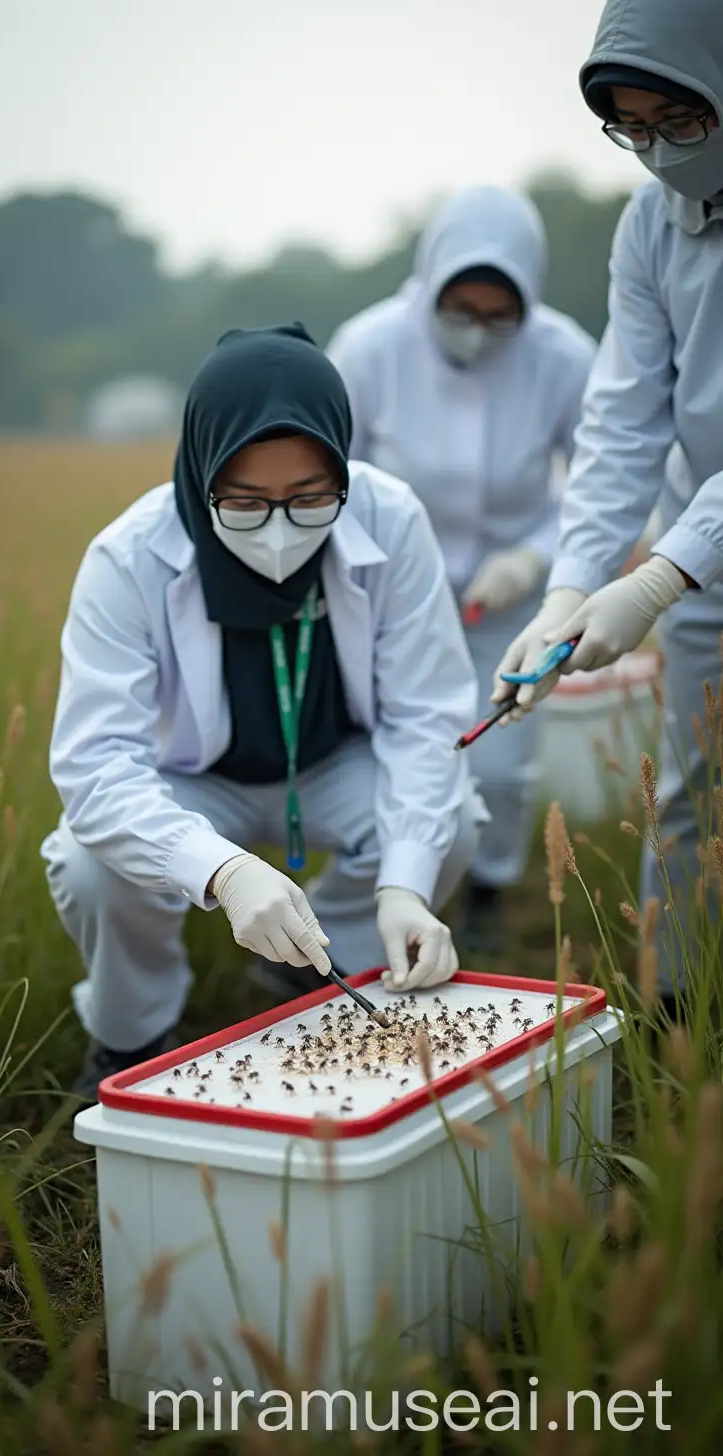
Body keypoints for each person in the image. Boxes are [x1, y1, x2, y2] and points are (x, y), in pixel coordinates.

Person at [41, 323, 488, 1100]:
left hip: (332, 763)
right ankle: (128, 1034)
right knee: (90, 864)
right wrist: (219, 866)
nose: (280, 529)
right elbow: (95, 765)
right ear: (202, 468)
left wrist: (405, 884)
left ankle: (320, 966)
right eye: (245, 502)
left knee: (450, 829)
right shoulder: (128, 557)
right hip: (192, 777)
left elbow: (426, 716)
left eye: (312, 499)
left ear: (343, 467)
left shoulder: (392, 519)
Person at [492, 0, 723, 1009]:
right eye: (632, 131)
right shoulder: (650, 226)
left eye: (680, 122)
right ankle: (675, 1017)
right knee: (688, 790)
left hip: (688, 551)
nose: (657, 154)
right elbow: (624, 419)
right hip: (696, 549)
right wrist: (574, 586)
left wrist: (662, 573)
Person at [326, 186, 597, 956]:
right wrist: (378, 564)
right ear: (431, 281)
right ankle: (375, 897)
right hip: (390, 595)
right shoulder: (370, 346)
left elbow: (599, 479)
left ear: (528, 300)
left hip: (509, 600)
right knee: (393, 746)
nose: (477, 331)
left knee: (502, 764)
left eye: (497, 315)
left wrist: (534, 557)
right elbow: (333, 473)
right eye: (461, 308)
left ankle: (485, 889)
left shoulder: (564, 356)